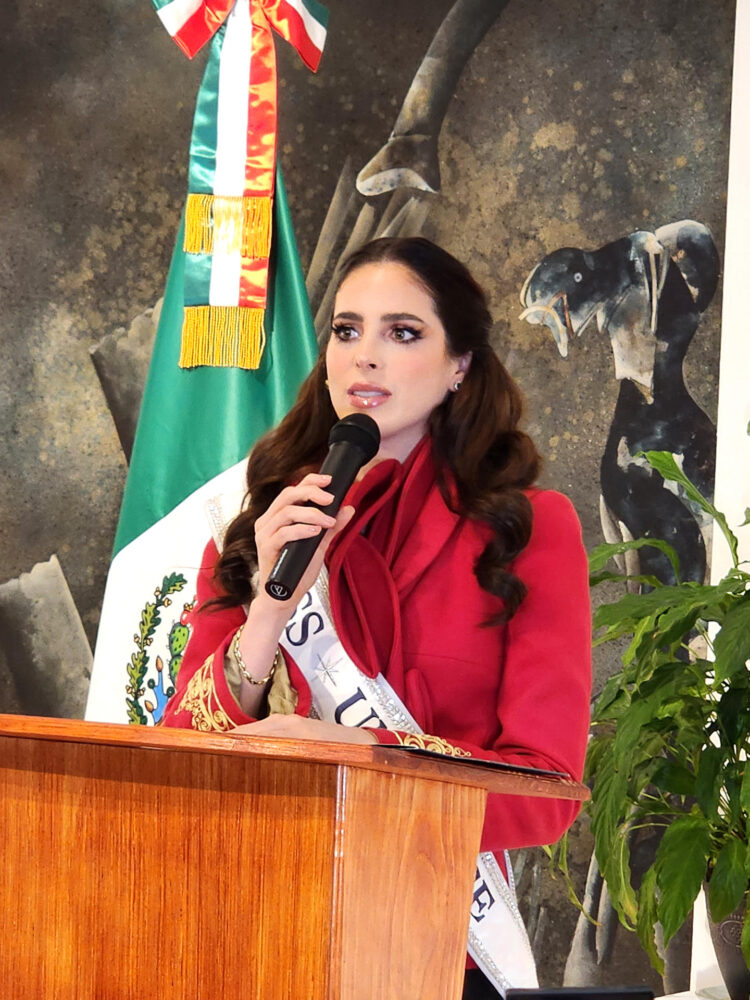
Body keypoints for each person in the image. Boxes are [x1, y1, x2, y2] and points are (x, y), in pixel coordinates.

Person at [161, 237, 591, 997]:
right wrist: (268, 609)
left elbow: (544, 790)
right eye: (347, 330)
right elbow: (185, 763)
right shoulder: (257, 523)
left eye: (403, 332)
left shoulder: (528, 528)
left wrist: (352, 753)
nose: (365, 357)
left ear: (461, 365)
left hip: (436, 952)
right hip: (261, 941)